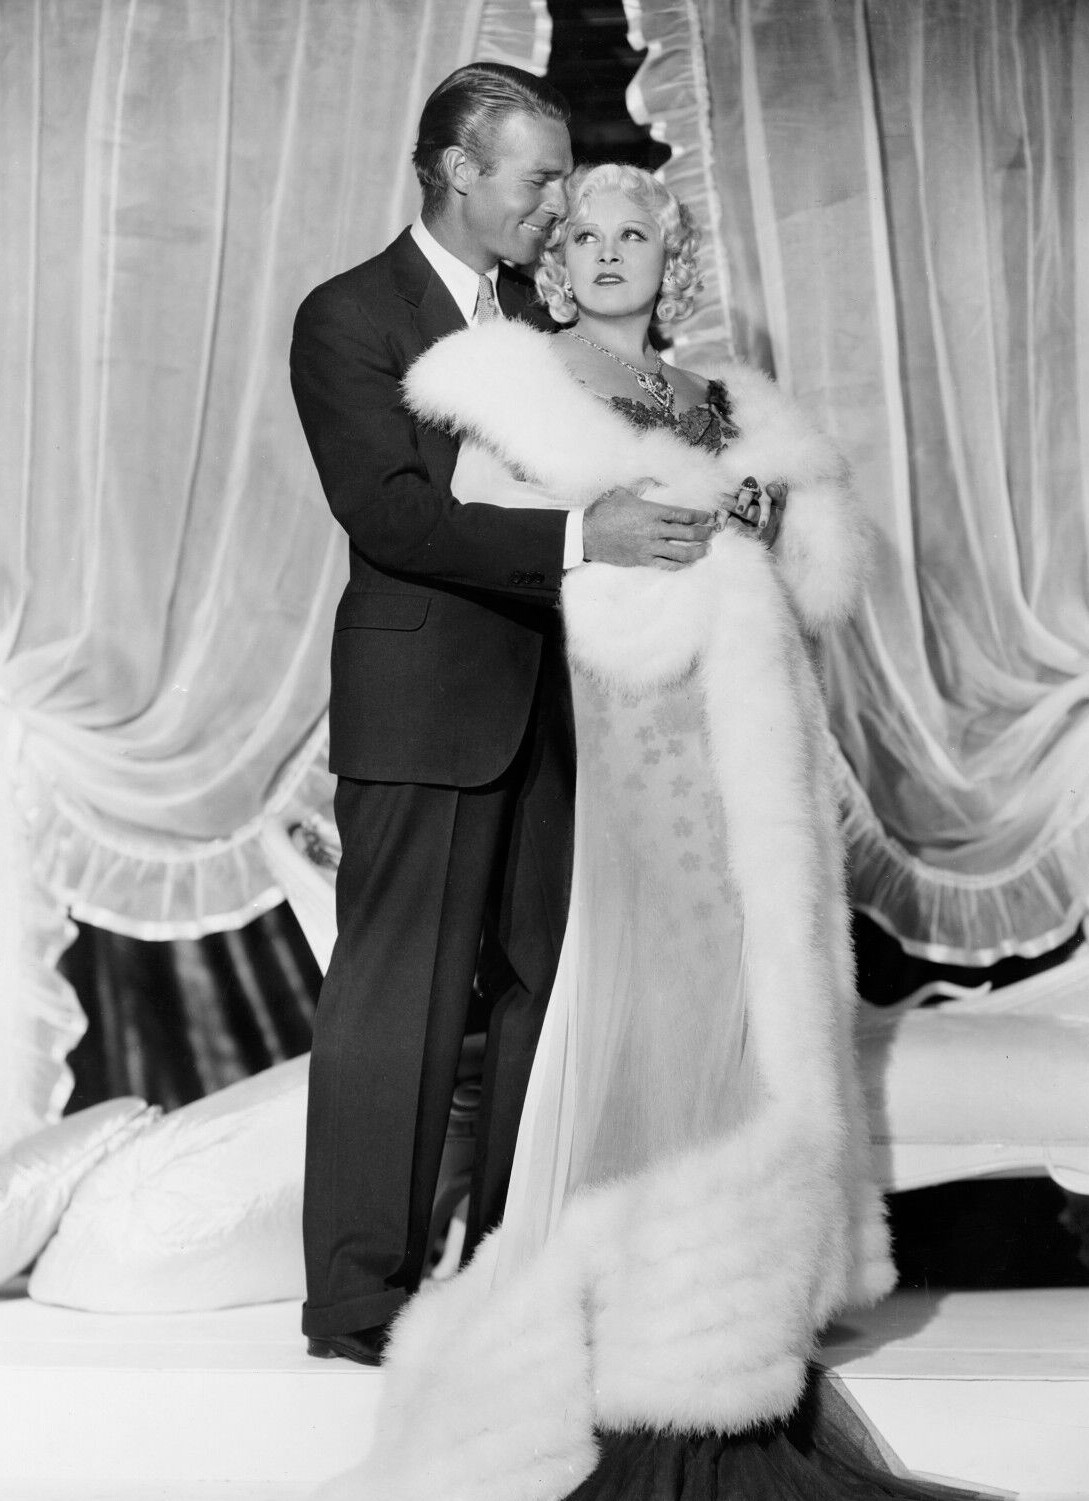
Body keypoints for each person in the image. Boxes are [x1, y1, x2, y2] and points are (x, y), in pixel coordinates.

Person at [317, 165, 985, 1500]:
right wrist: (637, 538)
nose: (611, 253)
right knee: (668, 983)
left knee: (758, 983)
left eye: (636, 235)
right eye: (585, 235)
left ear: (668, 260)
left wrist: (764, 515)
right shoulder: (527, 387)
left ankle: (747, 1274)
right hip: (635, 723)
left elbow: (817, 571)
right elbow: (493, 539)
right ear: (556, 261)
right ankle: (647, 1293)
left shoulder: (721, 395)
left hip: (760, 734)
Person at [289, 71, 715, 1365]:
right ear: (455, 171)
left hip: (561, 703)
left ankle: (509, 1266)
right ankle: (356, 1302)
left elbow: (642, 456)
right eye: (538, 180)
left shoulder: (543, 319)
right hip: (424, 708)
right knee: (400, 998)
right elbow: (393, 515)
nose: (556, 206)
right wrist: (588, 536)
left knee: (552, 986)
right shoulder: (350, 315)